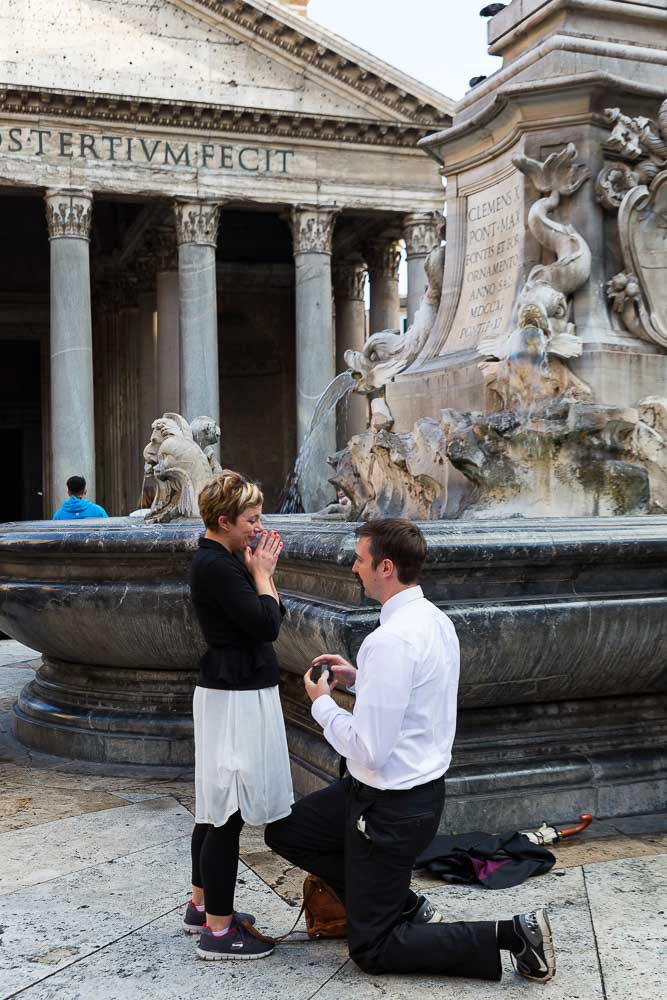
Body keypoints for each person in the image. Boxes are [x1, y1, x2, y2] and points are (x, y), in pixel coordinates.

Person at [265, 518, 556, 983]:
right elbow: (415, 696)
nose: (354, 567)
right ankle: (399, 902)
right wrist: (359, 679)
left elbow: (369, 749)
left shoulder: (390, 640)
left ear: (386, 567)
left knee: (373, 949)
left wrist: (321, 703)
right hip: (402, 796)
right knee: (288, 831)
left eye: (360, 559)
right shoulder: (435, 621)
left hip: (390, 810)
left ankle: (511, 933)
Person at [185, 470, 293, 961]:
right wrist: (264, 576)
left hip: (231, 689)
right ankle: (219, 931)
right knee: (225, 811)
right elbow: (267, 624)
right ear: (224, 521)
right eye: (251, 519)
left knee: (213, 805)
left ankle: (201, 905)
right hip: (235, 696)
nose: (259, 527)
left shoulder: (222, 559)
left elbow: (267, 619)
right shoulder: (217, 566)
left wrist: (257, 574)